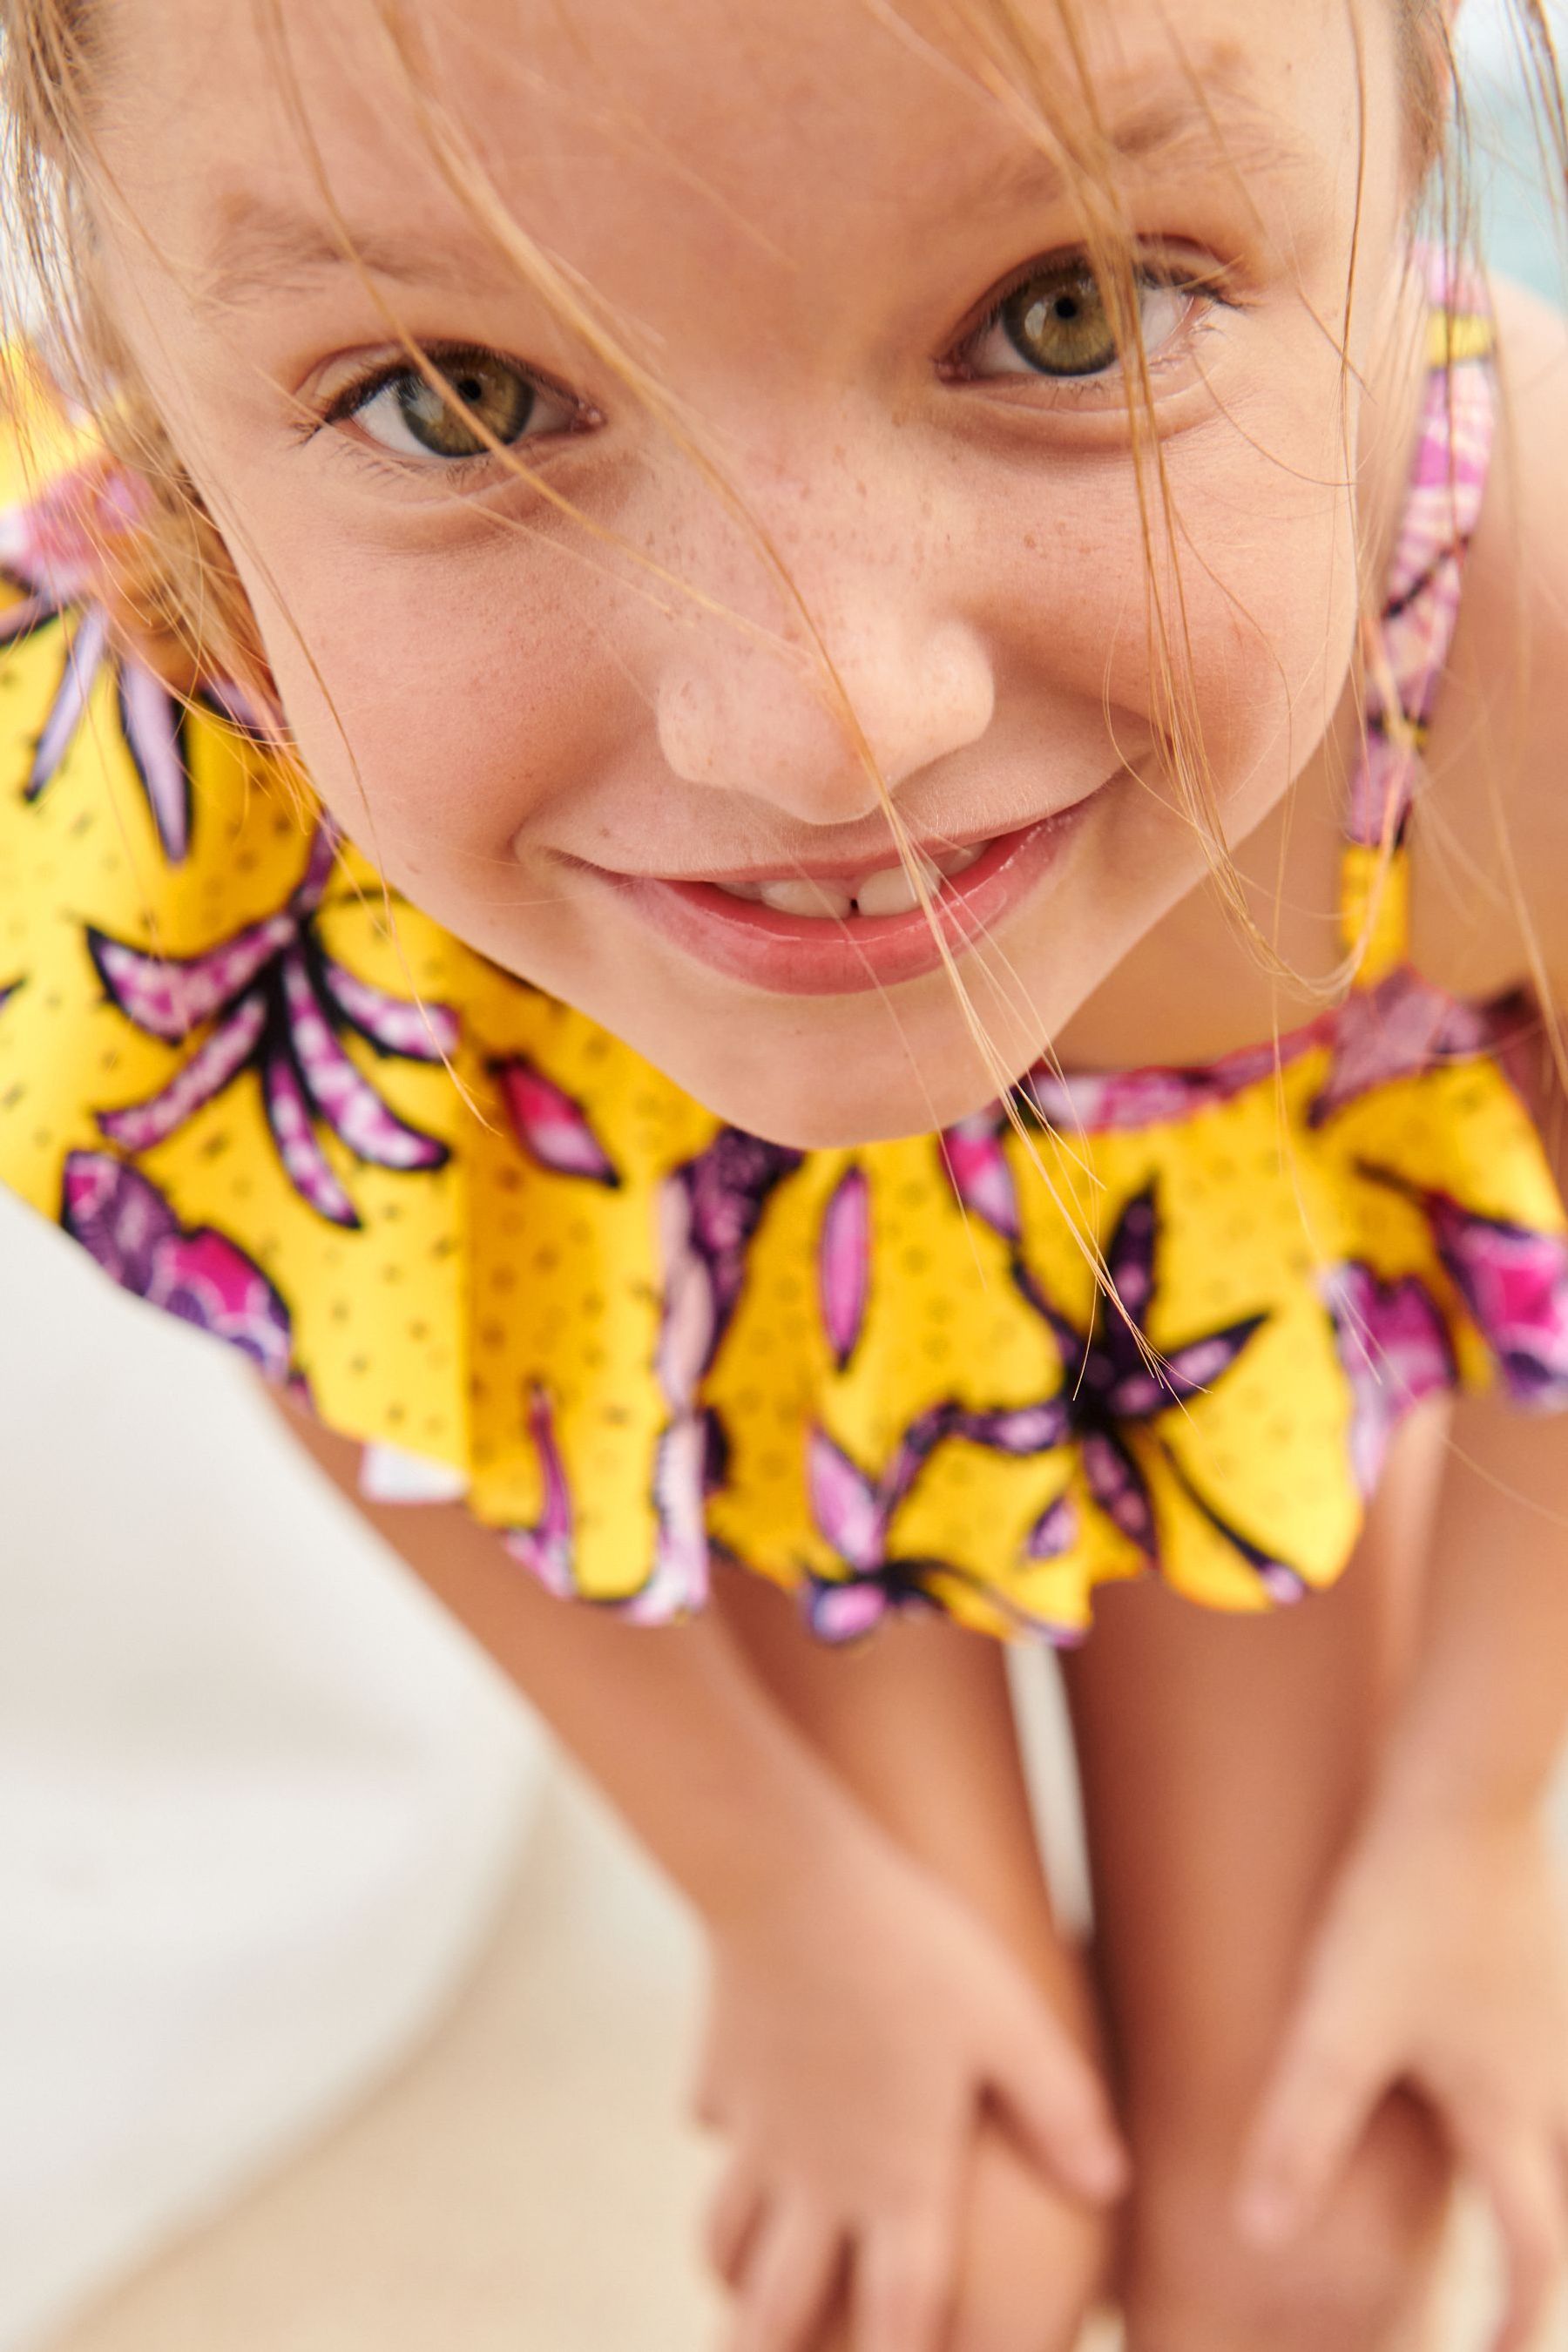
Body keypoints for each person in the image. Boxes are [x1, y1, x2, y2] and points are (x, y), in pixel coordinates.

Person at [3, 2, 1568, 2345]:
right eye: (456, 400)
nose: (824, 726)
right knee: (944, 2251)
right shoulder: (210, 671)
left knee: (1306, 2248)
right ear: (136, 354)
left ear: (1430, 118)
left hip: (1207, 1294)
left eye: (1076, 309)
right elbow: (336, 1301)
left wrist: (1472, 1831)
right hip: (729, 1318)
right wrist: (784, 1900)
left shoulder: (1513, 625)